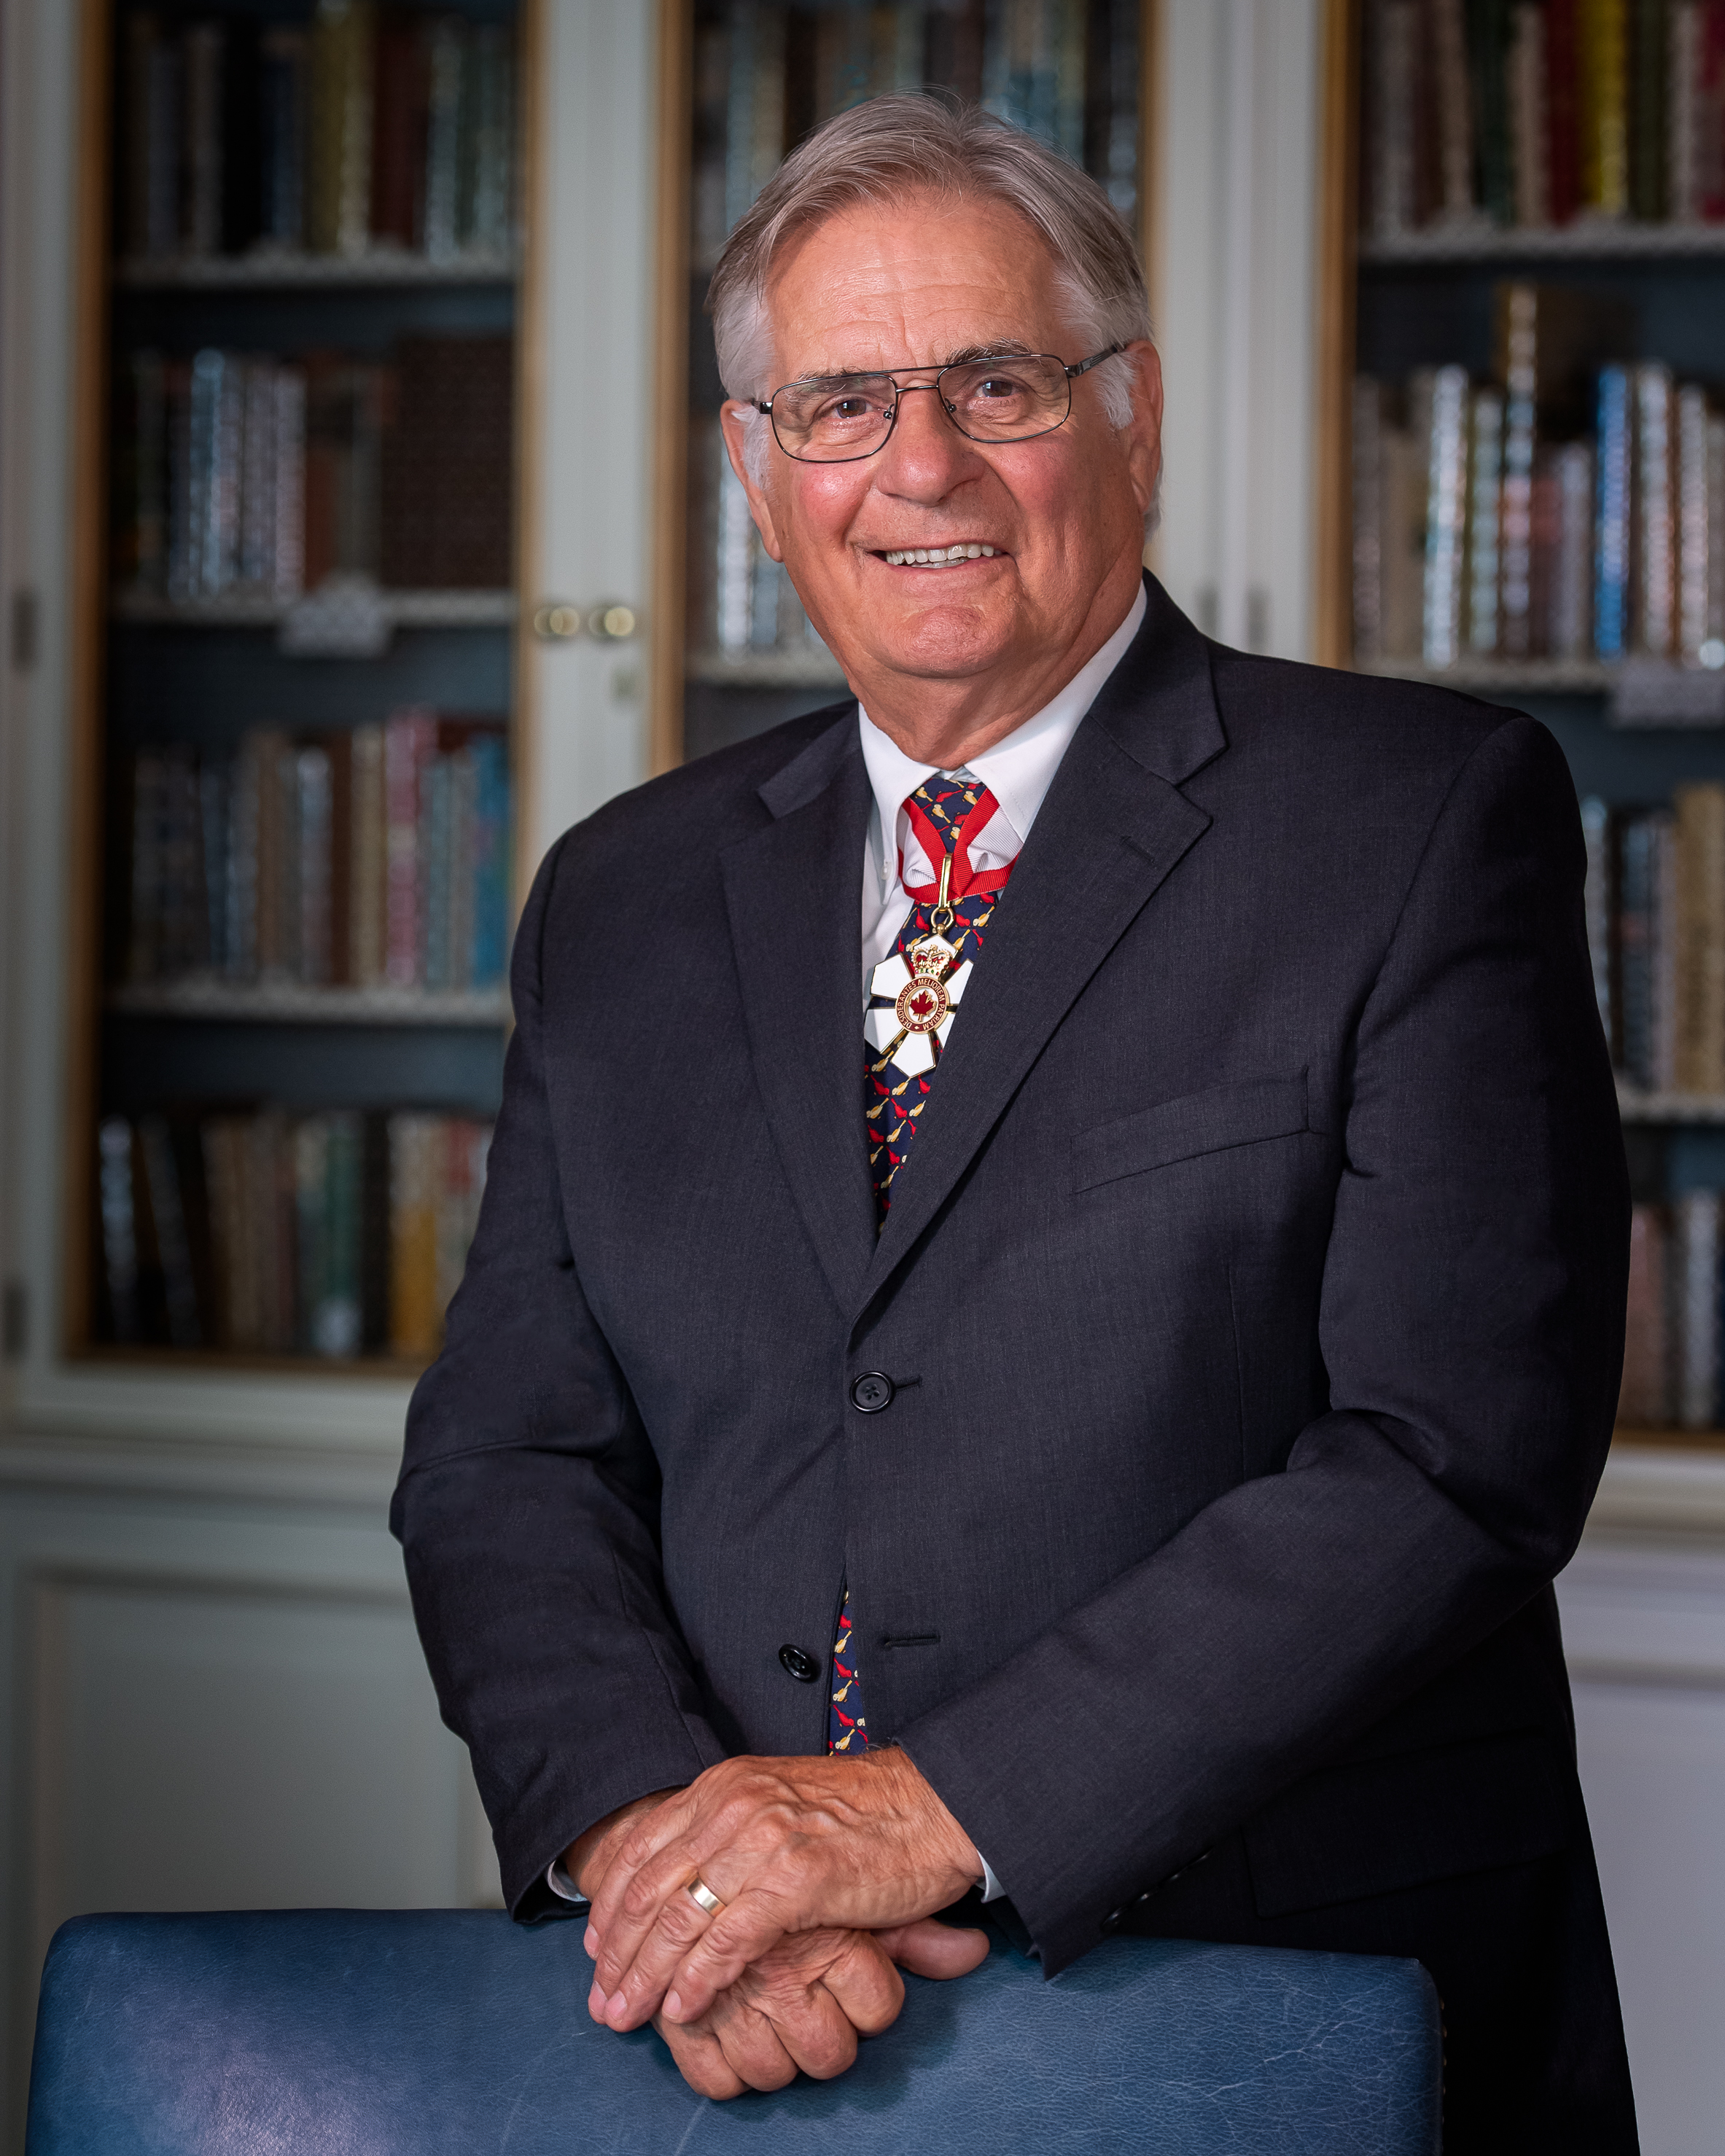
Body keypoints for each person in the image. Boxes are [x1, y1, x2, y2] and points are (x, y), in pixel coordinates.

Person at [392, 94, 1636, 2153]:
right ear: (754, 470)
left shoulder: (1417, 820)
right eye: (843, 403)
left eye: (995, 381)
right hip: (727, 2027)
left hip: (1259, 2004)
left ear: (1132, 413)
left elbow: (1451, 1457)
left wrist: (903, 1820)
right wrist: (672, 1863)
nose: (922, 468)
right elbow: (507, 1454)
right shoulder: (622, 892)